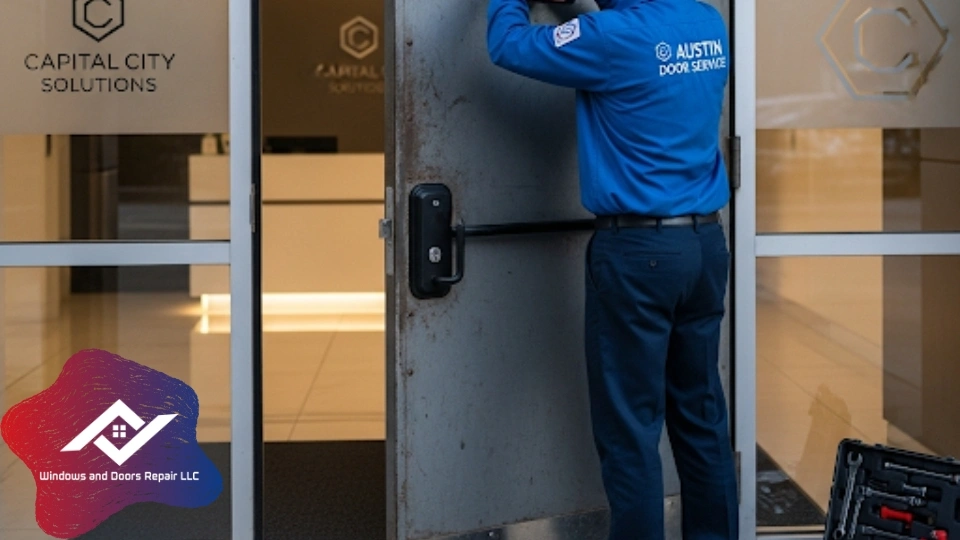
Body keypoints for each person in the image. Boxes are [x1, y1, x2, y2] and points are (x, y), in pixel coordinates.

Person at [486, 1, 737, 539]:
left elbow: (507, 43)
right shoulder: (707, 22)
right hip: (704, 245)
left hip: (637, 254)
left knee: (630, 432)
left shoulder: (609, 35)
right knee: (701, 420)